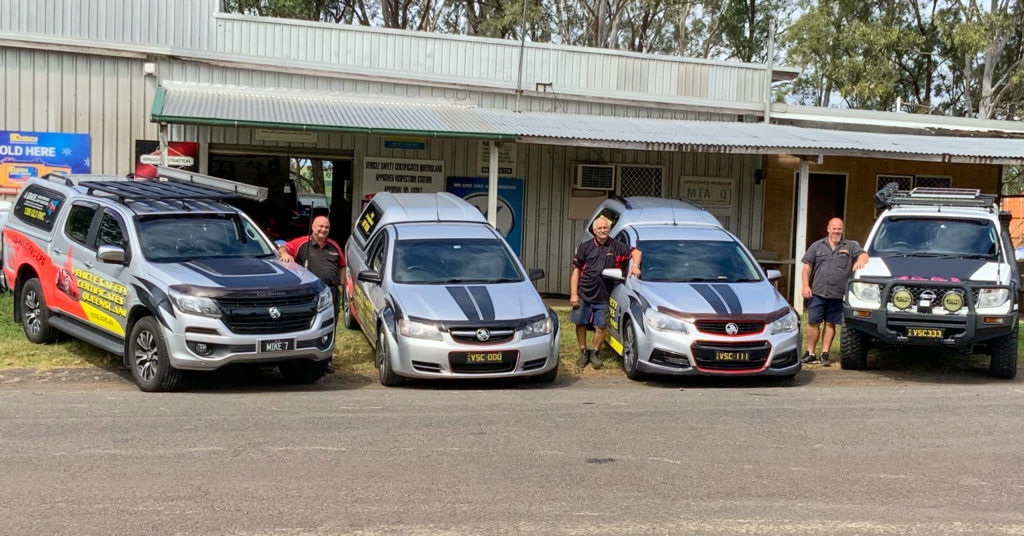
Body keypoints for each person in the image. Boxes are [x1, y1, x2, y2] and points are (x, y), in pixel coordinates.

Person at [570, 215, 642, 369]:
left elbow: (636, 252)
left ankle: (595, 353)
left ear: (609, 229)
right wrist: (573, 294)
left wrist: (635, 266)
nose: (603, 231)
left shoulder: (616, 246)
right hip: (584, 293)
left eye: (605, 228)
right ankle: (583, 352)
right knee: (580, 323)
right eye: (600, 228)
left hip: (603, 295)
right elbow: (576, 271)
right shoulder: (585, 247)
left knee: (601, 326)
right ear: (594, 231)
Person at [800, 217, 868, 366]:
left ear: (842, 230)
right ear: (828, 229)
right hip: (818, 292)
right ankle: (810, 353)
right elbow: (807, 268)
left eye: (839, 229)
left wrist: (860, 261)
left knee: (830, 324)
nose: (836, 231)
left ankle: (825, 354)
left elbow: (864, 255)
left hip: (837, 294)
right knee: (813, 322)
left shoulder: (850, 246)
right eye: (834, 228)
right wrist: (805, 286)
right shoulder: (817, 246)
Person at [278, 213, 347, 328]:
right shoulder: (302, 243)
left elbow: (342, 265)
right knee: (312, 321)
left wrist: (341, 285)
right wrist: (285, 254)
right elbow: (282, 247)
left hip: (332, 291)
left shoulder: (334, 245)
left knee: (332, 321)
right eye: (320, 226)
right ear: (313, 227)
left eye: (326, 227)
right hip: (312, 291)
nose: (323, 230)